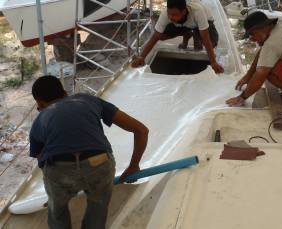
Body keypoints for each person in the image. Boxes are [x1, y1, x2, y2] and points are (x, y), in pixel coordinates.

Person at [29, 75, 149, 229]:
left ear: (40, 104)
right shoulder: (87, 100)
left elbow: (43, 162)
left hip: (59, 170)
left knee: (57, 212)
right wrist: (133, 165)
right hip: (99, 163)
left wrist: (54, 196)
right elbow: (141, 130)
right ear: (65, 92)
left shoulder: (39, 121)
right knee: (97, 209)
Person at [131, 0, 224, 74]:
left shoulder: (198, 11)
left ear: (183, 11)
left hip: (203, 22)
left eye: (174, 14)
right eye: (169, 13)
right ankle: (187, 33)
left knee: (210, 44)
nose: (171, 17)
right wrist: (142, 57)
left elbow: (206, 37)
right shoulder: (166, 14)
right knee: (161, 36)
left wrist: (213, 62)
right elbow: (155, 36)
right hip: (183, 25)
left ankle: (194, 34)